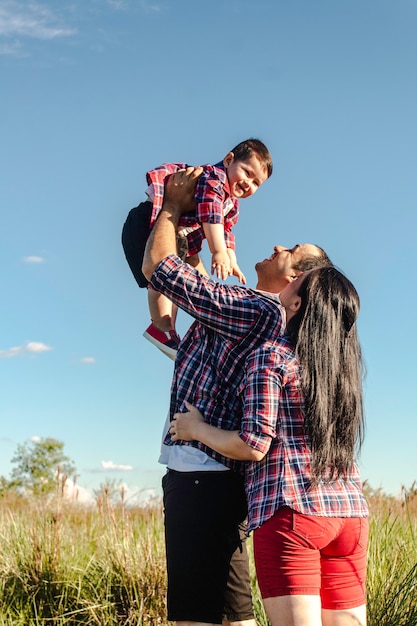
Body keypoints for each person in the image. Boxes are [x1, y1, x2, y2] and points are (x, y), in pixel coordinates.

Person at [141, 167, 333, 626]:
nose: (276, 248)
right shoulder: (258, 312)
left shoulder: (258, 309)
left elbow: (159, 270)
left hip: (201, 472)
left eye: (289, 252)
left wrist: (170, 206)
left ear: (298, 279)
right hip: (220, 478)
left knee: (194, 613)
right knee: (234, 613)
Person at [171, 266, 369, 626]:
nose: (292, 275)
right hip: (350, 514)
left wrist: (196, 429)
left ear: (296, 302)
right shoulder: (342, 368)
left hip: (293, 511)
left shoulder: (272, 356)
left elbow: (253, 444)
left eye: (300, 278)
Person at [122, 138, 272, 360]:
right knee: (162, 278)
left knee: (177, 281)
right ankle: (161, 327)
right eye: (247, 173)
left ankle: (169, 329)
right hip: (146, 224)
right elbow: (212, 216)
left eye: (256, 182)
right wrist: (217, 251)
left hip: (177, 234)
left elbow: (227, 230)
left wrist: (231, 258)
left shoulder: (231, 202)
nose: (249, 183)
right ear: (229, 160)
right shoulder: (215, 180)